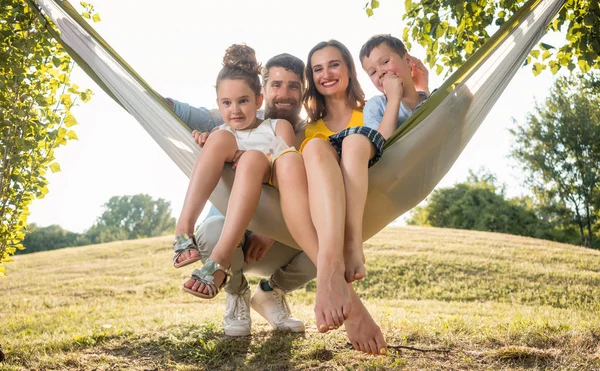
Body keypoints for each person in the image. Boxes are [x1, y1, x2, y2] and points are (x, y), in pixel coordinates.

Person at [166, 52, 315, 337]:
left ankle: (232, 271)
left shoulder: (279, 127)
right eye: (227, 103)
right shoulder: (219, 134)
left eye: (243, 101)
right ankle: (184, 233)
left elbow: (289, 172)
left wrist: (248, 157)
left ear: (258, 100)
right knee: (221, 141)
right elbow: (183, 113)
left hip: (276, 219)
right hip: (234, 227)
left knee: (252, 160)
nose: (235, 109)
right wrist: (208, 145)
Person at [359, 34, 430, 139]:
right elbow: (380, 146)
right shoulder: (375, 106)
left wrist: (424, 88)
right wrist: (393, 99)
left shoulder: (432, 99)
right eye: (373, 72)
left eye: (385, 62)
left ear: (407, 61)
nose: (380, 72)